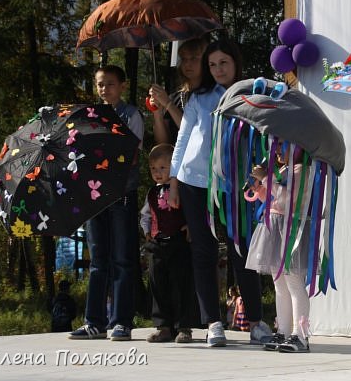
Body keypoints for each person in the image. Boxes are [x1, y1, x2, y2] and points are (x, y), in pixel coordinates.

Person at [168, 39, 271, 347]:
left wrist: (261, 169)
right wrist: (174, 182)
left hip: (236, 184)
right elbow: (183, 139)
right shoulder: (199, 98)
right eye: (212, 65)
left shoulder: (254, 94)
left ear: (235, 63)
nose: (217, 69)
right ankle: (213, 323)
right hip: (194, 182)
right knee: (203, 252)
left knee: (242, 250)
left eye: (223, 63)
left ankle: (256, 321)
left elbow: (264, 137)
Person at [69, 65, 143, 341]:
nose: (104, 89)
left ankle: (121, 321)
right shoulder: (89, 117)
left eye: (110, 84)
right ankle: (94, 321)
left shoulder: (131, 114)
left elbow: (131, 154)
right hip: (94, 196)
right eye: (100, 84)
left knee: (122, 259)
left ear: (122, 85)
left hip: (121, 193)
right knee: (98, 260)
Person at [245, 145, 311, 353]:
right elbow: (273, 200)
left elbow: (287, 199)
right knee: (279, 284)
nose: (278, 151)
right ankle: (282, 331)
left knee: (293, 284)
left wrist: (266, 179)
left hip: (291, 233)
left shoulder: (302, 171)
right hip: (275, 230)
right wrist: (260, 190)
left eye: (284, 146)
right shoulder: (282, 171)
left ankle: (301, 336)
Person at [140, 143, 194, 343]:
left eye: (163, 168)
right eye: (154, 169)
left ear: (174, 166)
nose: (157, 173)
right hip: (157, 242)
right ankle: (163, 326)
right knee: (157, 284)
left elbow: (190, 209)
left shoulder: (180, 188)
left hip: (179, 242)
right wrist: (146, 231)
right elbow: (145, 215)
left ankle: (184, 327)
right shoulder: (151, 193)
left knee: (181, 283)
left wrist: (190, 225)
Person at [148, 38, 209, 145]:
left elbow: (195, 134)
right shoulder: (175, 97)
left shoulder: (211, 94)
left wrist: (168, 104)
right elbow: (162, 143)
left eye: (194, 58)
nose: (187, 64)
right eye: (184, 59)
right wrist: (157, 113)